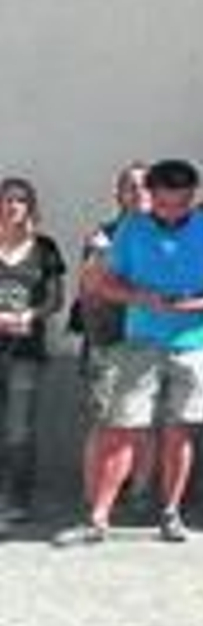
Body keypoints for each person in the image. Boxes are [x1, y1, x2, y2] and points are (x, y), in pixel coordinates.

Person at [60, 159, 203, 544]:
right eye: (165, 204)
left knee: (180, 430)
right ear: (151, 197)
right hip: (140, 340)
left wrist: (195, 305)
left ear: (192, 197)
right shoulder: (131, 230)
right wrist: (140, 297)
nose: (172, 212)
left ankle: (171, 512)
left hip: (194, 342)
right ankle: (99, 516)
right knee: (123, 428)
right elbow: (104, 285)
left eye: (181, 204)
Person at [73, 165, 153, 514]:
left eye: (145, 186)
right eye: (130, 187)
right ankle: (95, 500)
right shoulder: (102, 237)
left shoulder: (167, 236)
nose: (138, 193)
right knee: (104, 424)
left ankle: (140, 496)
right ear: (118, 194)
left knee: (146, 424)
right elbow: (89, 291)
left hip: (153, 340)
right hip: (108, 340)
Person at [0, 178, 68, 523]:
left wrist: (30, 314)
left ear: (30, 207)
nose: (13, 206)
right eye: (7, 199)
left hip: (25, 351)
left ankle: (17, 499)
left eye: (20, 200)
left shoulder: (45, 248)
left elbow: (55, 298)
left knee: (19, 429)